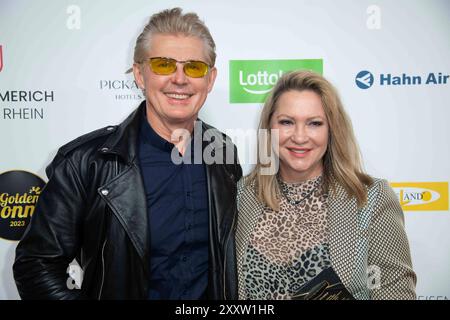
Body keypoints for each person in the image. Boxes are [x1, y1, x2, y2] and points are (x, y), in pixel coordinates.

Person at [13, 8, 242, 300]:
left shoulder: (222, 152)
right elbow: (36, 265)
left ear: (210, 80)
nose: (180, 79)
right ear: (139, 74)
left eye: (194, 67)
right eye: (163, 65)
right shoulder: (87, 162)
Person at [235, 70, 416, 300]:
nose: (300, 137)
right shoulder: (243, 195)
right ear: (269, 128)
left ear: (332, 130)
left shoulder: (370, 197)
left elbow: (395, 292)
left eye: (314, 123)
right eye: (287, 122)